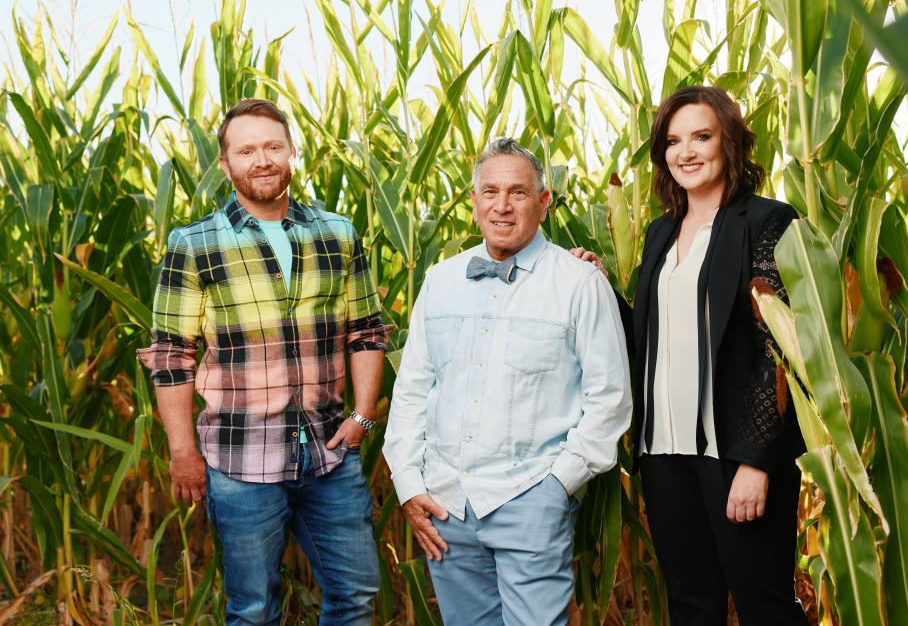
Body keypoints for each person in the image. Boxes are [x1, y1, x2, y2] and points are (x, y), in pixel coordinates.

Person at [137, 98, 386, 625]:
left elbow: (366, 331)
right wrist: (183, 450)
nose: (262, 159)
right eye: (246, 150)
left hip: (329, 453)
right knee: (252, 610)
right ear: (225, 166)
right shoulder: (194, 244)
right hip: (239, 459)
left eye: (273, 146)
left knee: (356, 595)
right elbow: (172, 357)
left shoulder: (337, 234)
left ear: (293, 152)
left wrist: (363, 416)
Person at [383, 138, 632, 626]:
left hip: (530, 499)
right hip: (446, 504)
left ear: (543, 203)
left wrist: (556, 488)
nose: (501, 205)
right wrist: (409, 485)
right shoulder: (440, 280)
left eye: (517, 192)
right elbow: (412, 390)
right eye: (490, 191)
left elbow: (610, 400)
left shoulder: (580, 284)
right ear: (473, 201)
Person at [604, 85, 808, 625]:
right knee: (692, 609)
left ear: (730, 143)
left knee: (766, 607)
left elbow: (780, 347)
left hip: (733, 455)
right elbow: (649, 341)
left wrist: (755, 461)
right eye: (673, 141)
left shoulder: (766, 221)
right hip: (663, 455)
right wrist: (602, 290)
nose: (686, 152)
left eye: (701, 136)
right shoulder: (659, 234)